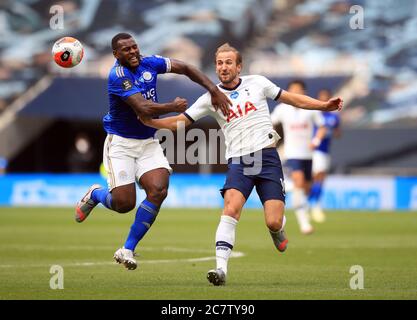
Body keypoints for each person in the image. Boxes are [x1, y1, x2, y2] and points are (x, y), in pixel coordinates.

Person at [140, 43, 343, 285]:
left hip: (267, 158)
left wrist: (323, 105)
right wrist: (149, 122)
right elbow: (179, 123)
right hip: (240, 161)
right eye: (219, 63)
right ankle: (220, 269)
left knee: (273, 220)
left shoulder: (257, 82)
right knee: (230, 208)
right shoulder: (210, 98)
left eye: (228, 63)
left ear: (239, 66)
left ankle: (277, 230)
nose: (223, 67)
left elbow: (291, 99)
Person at [75, 33, 232, 271]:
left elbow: (186, 68)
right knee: (124, 204)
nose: (133, 52)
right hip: (121, 144)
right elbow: (143, 108)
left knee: (159, 190)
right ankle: (96, 195)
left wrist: (213, 89)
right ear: (116, 55)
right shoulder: (118, 76)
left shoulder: (150, 63)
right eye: (126, 50)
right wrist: (172, 107)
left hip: (148, 141)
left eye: (134, 47)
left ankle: (127, 248)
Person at [270, 80, 327, 235]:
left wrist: (316, 140)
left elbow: (322, 126)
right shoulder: (282, 109)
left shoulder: (311, 109)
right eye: (292, 90)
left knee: (305, 189)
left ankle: (294, 195)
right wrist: (271, 138)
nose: (295, 93)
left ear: (304, 91)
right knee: (299, 182)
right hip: (292, 153)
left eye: (298, 90)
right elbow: (270, 122)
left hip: (307, 154)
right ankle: (304, 223)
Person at [309, 89, 341, 223]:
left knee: (320, 178)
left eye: (326, 98)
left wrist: (331, 132)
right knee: (317, 175)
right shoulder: (312, 114)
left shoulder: (334, 117)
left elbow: (338, 133)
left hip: (325, 151)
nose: (323, 100)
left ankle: (313, 203)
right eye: (321, 98)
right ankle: (313, 205)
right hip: (313, 150)